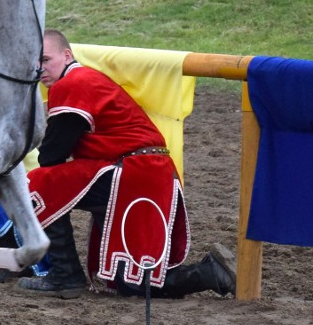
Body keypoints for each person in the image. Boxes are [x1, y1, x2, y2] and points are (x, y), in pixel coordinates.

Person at [17, 30, 236, 299]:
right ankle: (209, 274)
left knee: (38, 182)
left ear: (66, 55)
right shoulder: (85, 80)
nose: (40, 68)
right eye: (35, 62)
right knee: (127, 283)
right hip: (144, 172)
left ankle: (66, 276)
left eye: (45, 59)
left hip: (135, 174)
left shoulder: (72, 84)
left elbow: (52, 155)